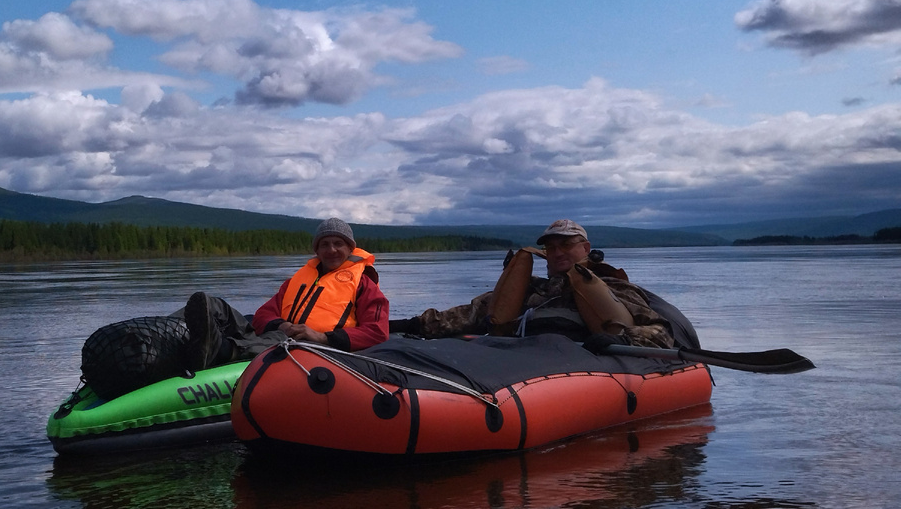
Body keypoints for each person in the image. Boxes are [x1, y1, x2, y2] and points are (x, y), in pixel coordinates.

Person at [390, 219, 675, 349]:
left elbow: (661, 333)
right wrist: (405, 325)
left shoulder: (614, 288)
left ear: (586, 248)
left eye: (567, 245)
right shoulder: (533, 291)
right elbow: (467, 315)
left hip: (582, 364)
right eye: (551, 247)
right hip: (523, 363)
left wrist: (619, 340)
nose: (558, 252)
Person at [183, 217, 390, 371]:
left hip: (315, 348)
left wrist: (322, 337)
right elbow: (263, 315)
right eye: (324, 244)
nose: (331, 250)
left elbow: (377, 331)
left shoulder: (364, 285)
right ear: (317, 251)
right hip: (282, 333)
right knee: (215, 306)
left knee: (280, 341)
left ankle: (225, 350)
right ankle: (184, 334)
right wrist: (281, 324)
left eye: (338, 244)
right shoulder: (296, 282)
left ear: (350, 249)